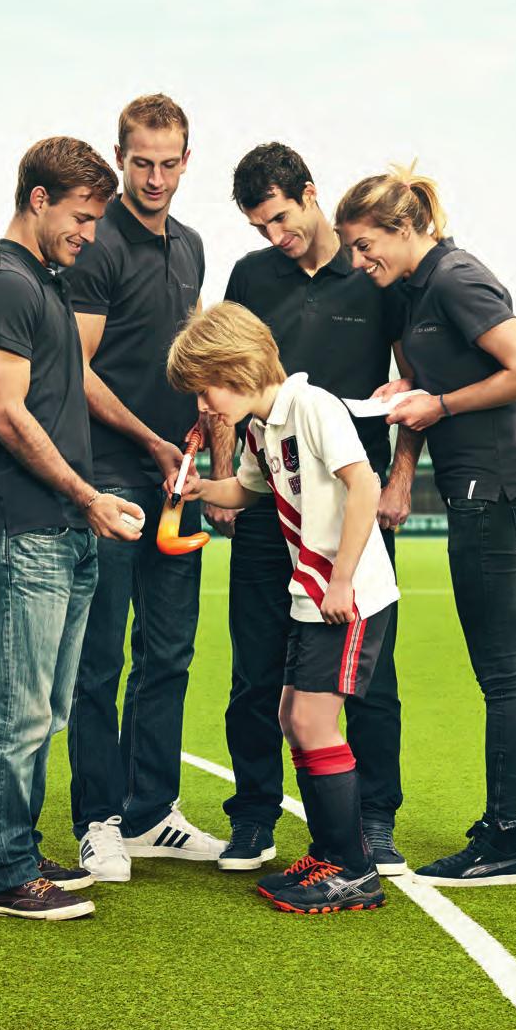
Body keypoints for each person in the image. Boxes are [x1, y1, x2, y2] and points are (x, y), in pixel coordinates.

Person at [335, 165, 516, 881]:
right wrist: (410, 407)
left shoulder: (456, 277)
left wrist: (441, 403)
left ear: (402, 227)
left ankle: (502, 839)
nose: (361, 264)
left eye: (366, 247)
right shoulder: (416, 291)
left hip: (496, 489)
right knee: (510, 651)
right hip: (476, 486)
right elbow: (434, 385)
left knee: (498, 671)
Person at [207, 142, 418, 875]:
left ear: (309, 193)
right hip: (271, 498)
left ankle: (374, 818)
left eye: (281, 218)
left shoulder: (371, 272)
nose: (274, 236)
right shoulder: (250, 276)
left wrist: (399, 477)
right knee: (256, 669)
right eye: (259, 226)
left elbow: (412, 380)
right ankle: (254, 816)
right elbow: (223, 377)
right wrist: (220, 473)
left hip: (352, 511)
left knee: (369, 676)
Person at [0, 136, 140, 920]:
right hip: (22, 526)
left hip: (64, 528)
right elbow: (5, 413)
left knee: (46, 709)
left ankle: (17, 850)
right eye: (82, 216)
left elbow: (67, 394)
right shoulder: (4, 285)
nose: (89, 232)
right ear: (38, 199)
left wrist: (143, 449)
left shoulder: (46, 283)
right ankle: (1, 874)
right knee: (19, 711)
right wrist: (86, 495)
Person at [167, 301, 398, 913]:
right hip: (310, 596)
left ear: (240, 367)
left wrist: (342, 579)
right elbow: (248, 490)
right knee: (295, 715)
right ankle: (331, 854)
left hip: (346, 596)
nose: (202, 405)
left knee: (314, 722)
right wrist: (197, 489)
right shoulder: (260, 427)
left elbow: (365, 484)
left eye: (207, 387)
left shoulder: (313, 407)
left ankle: (351, 869)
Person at [64, 94, 225, 883]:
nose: (156, 178)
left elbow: (191, 348)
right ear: (121, 157)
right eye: (141, 162)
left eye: (169, 163)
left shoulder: (191, 246)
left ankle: (153, 812)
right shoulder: (98, 246)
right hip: (112, 474)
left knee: (169, 652)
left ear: (187, 160)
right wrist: (151, 441)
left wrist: (202, 424)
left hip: (178, 479)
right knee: (100, 659)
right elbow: (76, 370)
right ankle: (96, 818)